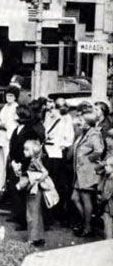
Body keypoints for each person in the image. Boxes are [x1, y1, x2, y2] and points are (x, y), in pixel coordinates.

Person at [6, 105, 46, 231]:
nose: (14, 115)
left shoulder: (29, 131)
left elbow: (30, 150)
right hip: (15, 163)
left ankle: (23, 221)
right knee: (14, 189)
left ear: (21, 116)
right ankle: (17, 215)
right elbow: (13, 147)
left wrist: (21, 164)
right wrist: (12, 161)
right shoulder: (16, 129)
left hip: (24, 164)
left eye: (16, 113)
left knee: (23, 192)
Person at [71, 103, 104, 237]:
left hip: (87, 172)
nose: (80, 122)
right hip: (80, 172)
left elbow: (99, 150)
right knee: (74, 198)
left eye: (82, 121)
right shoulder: (86, 133)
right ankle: (88, 221)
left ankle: (88, 227)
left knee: (86, 200)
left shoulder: (94, 134)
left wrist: (89, 159)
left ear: (88, 122)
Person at [16, 140, 57, 247]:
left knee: (31, 212)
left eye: (26, 149)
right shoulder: (34, 160)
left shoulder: (35, 161)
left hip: (34, 188)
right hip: (35, 188)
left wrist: (37, 180)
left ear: (33, 152)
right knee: (36, 212)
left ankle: (32, 238)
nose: (24, 152)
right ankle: (39, 236)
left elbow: (45, 172)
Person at [42, 98, 75, 226]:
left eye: (54, 107)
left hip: (57, 154)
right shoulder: (48, 116)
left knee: (57, 183)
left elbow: (69, 138)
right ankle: (49, 212)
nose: (51, 109)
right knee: (48, 182)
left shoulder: (66, 119)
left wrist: (62, 145)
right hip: (47, 152)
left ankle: (57, 211)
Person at [0, 86, 20, 193]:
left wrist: (4, 125)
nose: (8, 97)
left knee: (8, 163)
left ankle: (8, 188)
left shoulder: (16, 107)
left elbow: (13, 125)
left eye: (11, 96)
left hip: (9, 138)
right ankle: (1, 187)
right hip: (2, 138)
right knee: (1, 164)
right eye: (7, 95)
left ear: (15, 97)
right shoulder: (5, 107)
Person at [99, 155, 113, 239]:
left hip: (109, 207)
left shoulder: (110, 179)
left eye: (107, 166)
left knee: (108, 226)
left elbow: (106, 195)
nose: (105, 168)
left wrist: (100, 198)